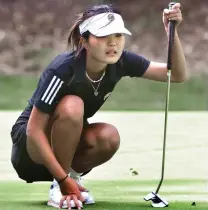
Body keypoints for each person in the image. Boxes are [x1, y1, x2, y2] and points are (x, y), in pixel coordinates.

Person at [10, 3, 187, 209]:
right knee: (72, 105)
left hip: (65, 147)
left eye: (118, 36)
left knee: (108, 137)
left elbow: (176, 75)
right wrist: (61, 179)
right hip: (30, 151)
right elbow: (34, 130)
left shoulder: (121, 61)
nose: (112, 44)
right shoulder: (63, 69)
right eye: (103, 37)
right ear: (84, 41)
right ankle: (60, 186)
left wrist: (171, 32)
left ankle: (73, 182)